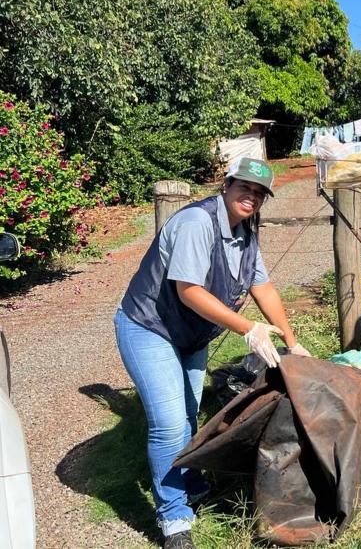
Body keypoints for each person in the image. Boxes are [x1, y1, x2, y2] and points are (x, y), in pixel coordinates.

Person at [113, 157, 310, 549]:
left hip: (192, 336)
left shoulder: (246, 235)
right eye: (244, 187)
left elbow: (264, 288)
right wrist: (248, 327)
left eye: (259, 193)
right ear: (227, 184)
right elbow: (189, 291)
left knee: (189, 412)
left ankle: (187, 479)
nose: (250, 197)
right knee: (169, 423)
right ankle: (173, 519)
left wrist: (292, 340)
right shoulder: (196, 223)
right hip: (149, 328)